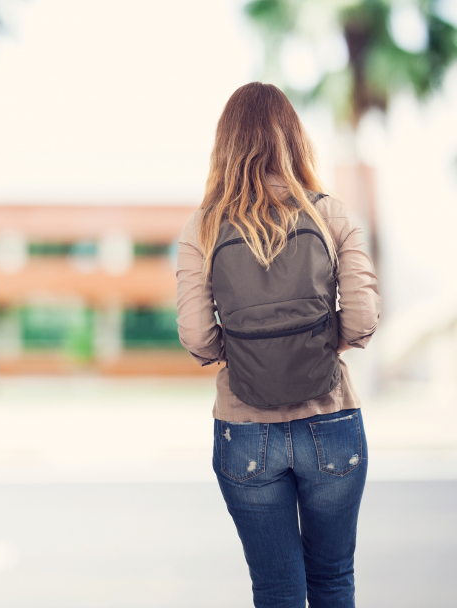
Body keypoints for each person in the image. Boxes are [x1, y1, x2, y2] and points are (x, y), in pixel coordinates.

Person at [176, 82, 381, 608]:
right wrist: (318, 340)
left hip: (245, 433)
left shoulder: (202, 226)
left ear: (225, 145)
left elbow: (197, 336)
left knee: (276, 589)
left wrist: (240, 347)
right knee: (333, 579)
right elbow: (362, 319)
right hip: (331, 421)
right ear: (294, 138)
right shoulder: (329, 214)